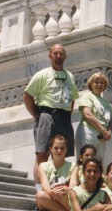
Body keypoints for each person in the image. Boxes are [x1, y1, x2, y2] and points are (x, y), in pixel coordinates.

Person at [23, 43, 79, 183]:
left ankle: (56, 185)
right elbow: (27, 96)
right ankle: (40, 189)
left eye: (61, 53)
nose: (58, 56)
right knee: (42, 155)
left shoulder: (70, 76)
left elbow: (72, 98)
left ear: (65, 56)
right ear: (50, 56)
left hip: (64, 118)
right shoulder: (42, 75)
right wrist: (37, 116)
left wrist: (68, 115)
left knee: (61, 155)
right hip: (47, 115)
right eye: (55, 53)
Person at [75, 72, 112, 159]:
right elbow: (88, 114)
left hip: (102, 137)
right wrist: (104, 131)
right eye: (96, 82)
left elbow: (110, 121)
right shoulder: (87, 97)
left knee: (99, 162)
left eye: (102, 82)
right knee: (86, 160)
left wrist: (109, 133)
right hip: (88, 132)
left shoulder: (106, 102)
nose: (99, 85)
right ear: (91, 84)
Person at [35, 134, 73, 211]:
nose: (59, 151)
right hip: (50, 198)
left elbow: (73, 185)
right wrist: (52, 193)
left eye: (62, 148)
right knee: (40, 195)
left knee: (67, 193)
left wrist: (66, 190)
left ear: (66, 150)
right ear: (50, 149)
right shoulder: (43, 166)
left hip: (65, 198)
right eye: (56, 148)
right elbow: (44, 183)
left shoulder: (73, 166)